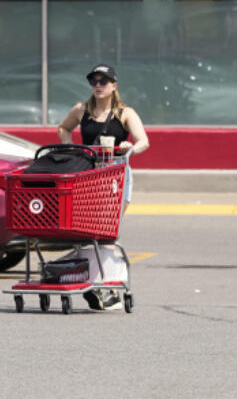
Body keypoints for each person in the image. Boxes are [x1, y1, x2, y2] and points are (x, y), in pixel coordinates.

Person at [55, 63, 150, 309]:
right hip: (88, 175)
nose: (98, 86)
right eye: (93, 81)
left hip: (116, 175)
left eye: (103, 81)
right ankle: (97, 283)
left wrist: (130, 148)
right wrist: (70, 147)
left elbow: (143, 141)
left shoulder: (125, 113)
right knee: (90, 232)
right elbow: (64, 128)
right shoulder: (82, 109)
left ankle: (109, 288)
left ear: (114, 86)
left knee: (108, 231)